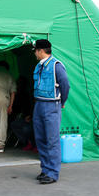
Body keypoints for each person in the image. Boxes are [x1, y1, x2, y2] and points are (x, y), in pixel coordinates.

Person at [32, 39, 70, 184]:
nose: (35, 53)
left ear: (41, 51)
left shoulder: (56, 66)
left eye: (36, 50)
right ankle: (45, 169)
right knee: (40, 139)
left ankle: (53, 173)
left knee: (52, 140)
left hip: (51, 105)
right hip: (39, 104)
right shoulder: (39, 66)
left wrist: (62, 101)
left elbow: (65, 84)